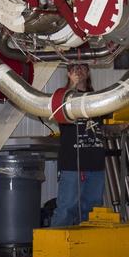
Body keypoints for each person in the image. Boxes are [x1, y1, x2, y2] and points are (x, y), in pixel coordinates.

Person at [50, 64, 108, 226]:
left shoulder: (98, 98)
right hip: (72, 165)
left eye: (83, 67)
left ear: (88, 71)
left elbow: (105, 125)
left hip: (96, 164)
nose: (79, 71)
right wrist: (71, 86)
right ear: (68, 73)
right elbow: (57, 113)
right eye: (75, 68)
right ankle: (54, 249)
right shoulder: (61, 96)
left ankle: (86, 249)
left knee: (93, 210)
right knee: (66, 209)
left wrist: (121, 125)